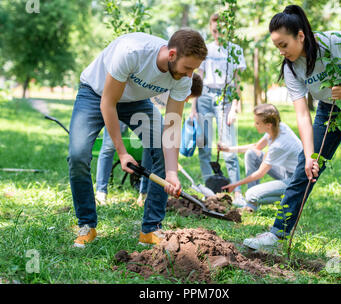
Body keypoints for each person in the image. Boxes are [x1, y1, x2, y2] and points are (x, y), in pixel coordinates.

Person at [243, 5, 341, 270]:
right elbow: (303, 115)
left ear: (300, 36)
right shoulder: (292, 69)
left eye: (284, 45)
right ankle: (277, 232)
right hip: (327, 111)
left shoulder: (337, 43)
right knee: (303, 172)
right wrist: (309, 156)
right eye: (277, 47)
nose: (282, 52)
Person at [68, 29, 207, 248]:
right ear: (171, 55)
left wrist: (171, 172)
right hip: (96, 94)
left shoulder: (183, 78)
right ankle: (87, 224)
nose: (190, 75)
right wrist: (122, 152)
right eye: (188, 68)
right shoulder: (132, 52)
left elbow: (172, 125)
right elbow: (108, 103)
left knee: (161, 151)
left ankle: (151, 229)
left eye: (194, 69)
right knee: (77, 156)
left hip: (136, 101)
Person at [95, 74, 203, 207]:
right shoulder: (165, 84)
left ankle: (144, 192)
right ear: (186, 88)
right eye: (189, 97)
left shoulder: (175, 95)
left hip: (142, 113)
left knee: (150, 146)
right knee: (109, 145)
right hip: (120, 102)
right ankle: (101, 191)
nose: (187, 101)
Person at [190, 13, 246, 203]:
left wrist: (234, 106)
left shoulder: (235, 50)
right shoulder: (206, 50)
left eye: (221, 30)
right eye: (214, 30)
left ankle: (237, 191)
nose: (217, 34)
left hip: (226, 96)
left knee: (228, 145)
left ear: (228, 29)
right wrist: (193, 107)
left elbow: (238, 81)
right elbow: (198, 77)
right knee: (204, 144)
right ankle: (209, 189)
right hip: (205, 95)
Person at [218, 104, 302, 212]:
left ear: (268, 125)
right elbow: (256, 147)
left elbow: (260, 173)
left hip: (296, 181)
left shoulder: (279, 144)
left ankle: (293, 199)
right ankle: (251, 206)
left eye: (257, 123)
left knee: (250, 194)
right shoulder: (278, 127)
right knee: (251, 154)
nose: (255, 125)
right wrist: (228, 149)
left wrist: (235, 184)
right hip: (286, 171)